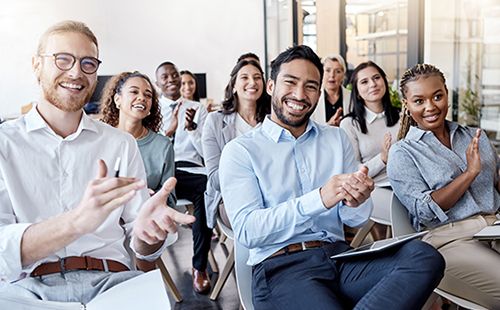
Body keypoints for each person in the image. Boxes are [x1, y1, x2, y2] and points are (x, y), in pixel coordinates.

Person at [219, 45, 445, 309]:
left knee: (424, 257)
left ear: (319, 92)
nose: (300, 94)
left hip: (340, 259)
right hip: (281, 268)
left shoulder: (335, 138)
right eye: (290, 83)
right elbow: (247, 231)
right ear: (270, 86)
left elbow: (355, 220)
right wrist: (319, 198)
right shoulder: (241, 150)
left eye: (311, 86)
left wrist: (357, 201)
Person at [0, 20, 194, 304]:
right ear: (36, 65)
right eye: (62, 59)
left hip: (112, 283)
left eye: (88, 63)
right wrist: (76, 222)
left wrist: (148, 235)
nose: (76, 72)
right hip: (28, 290)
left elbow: (140, 245)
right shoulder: (5, 144)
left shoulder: (120, 144)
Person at [387, 63, 500, 309]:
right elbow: (425, 210)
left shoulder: (474, 136)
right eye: (419, 101)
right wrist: (469, 173)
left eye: (437, 96)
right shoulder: (403, 153)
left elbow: (496, 185)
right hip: (449, 241)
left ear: (447, 94)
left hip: (495, 229)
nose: (431, 107)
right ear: (406, 105)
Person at [155, 61, 212, 294]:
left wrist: (191, 129)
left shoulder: (199, 109)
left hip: (191, 170)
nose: (171, 80)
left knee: (207, 190)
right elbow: (152, 152)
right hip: (163, 171)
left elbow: (206, 152)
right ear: (157, 83)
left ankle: (199, 267)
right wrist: (169, 132)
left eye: (174, 75)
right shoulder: (151, 108)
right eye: (165, 77)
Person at [202, 59, 270, 229]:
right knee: (261, 222)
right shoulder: (215, 122)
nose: (252, 82)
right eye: (244, 77)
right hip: (230, 199)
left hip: (273, 196)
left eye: (257, 77)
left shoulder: (272, 121)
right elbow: (215, 179)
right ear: (233, 85)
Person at [100, 71, 176, 209]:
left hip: (145, 218)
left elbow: (170, 198)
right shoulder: (100, 139)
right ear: (117, 100)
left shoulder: (163, 146)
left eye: (148, 95)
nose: (142, 98)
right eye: (134, 92)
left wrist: (149, 197)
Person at [310, 54, 351, 126]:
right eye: (328, 70)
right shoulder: (313, 97)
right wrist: (328, 125)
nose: (332, 75)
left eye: (337, 71)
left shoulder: (352, 97)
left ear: (343, 75)